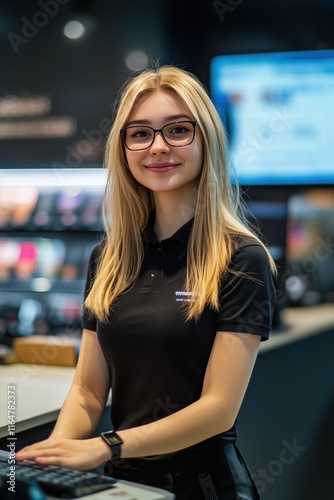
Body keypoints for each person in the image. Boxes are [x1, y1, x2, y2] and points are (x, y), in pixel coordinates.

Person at [16, 65, 277, 499]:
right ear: (123, 148)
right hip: (125, 484)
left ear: (206, 139)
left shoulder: (240, 258)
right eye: (139, 134)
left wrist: (103, 447)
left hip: (205, 485)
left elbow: (217, 409)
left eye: (177, 130)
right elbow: (87, 391)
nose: (157, 147)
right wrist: (56, 456)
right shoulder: (110, 258)